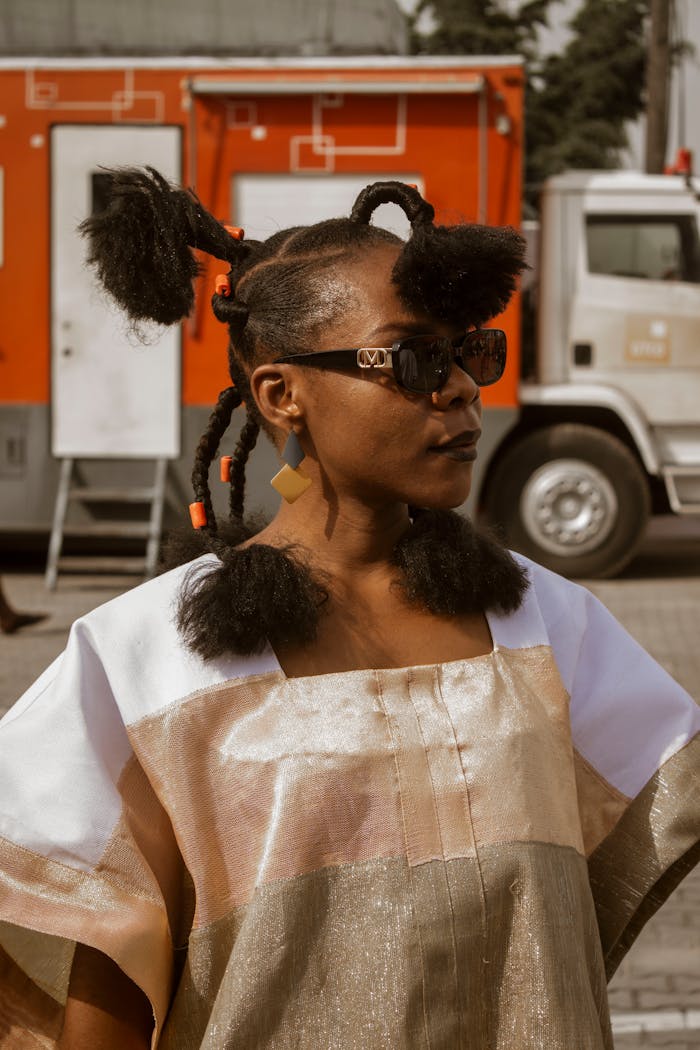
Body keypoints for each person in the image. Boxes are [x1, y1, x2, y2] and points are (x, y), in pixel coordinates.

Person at [0, 170, 697, 1050]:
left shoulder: (548, 623)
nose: (457, 389)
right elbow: (109, 971)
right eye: (410, 358)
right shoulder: (144, 661)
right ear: (282, 396)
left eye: (467, 353)